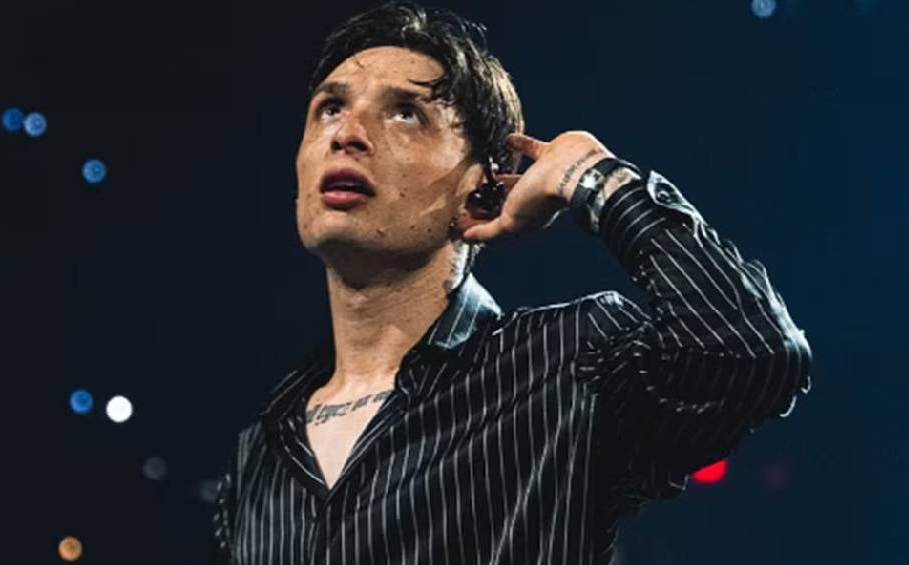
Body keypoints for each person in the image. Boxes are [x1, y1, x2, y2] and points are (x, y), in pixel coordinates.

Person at [211, 2, 812, 563]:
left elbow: (748, 349)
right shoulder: (261, 448)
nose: (346, 133)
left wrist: (595, 178)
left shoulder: (569, 362)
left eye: (405, 113)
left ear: (483, 187)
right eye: (329, 108)